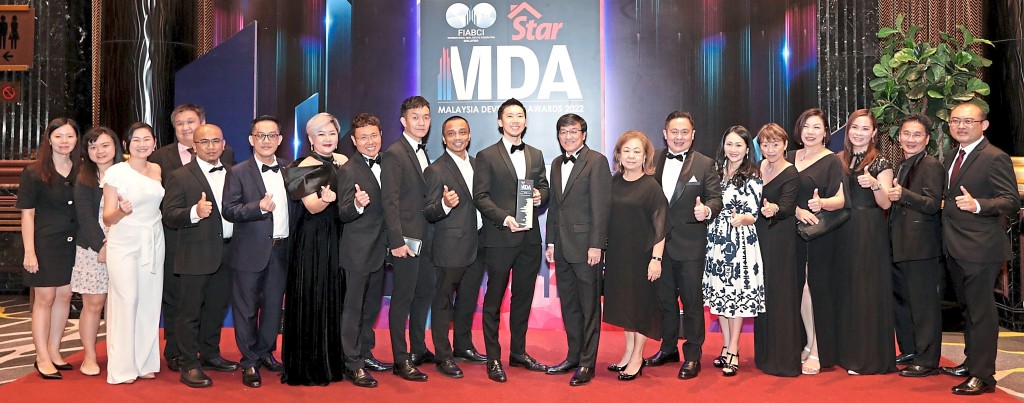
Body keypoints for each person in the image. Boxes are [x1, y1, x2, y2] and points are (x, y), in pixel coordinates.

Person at [940, 102, 1018, 395]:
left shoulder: (995, 157)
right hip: (955, 245)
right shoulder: (952, 154)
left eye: (968, 121)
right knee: (968, 310)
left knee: (981, 313)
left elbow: (1010, 201)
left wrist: (978, 205)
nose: (961, 126)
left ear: (984, 125)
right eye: (955, 121)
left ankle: (983, 376)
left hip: (981, 248)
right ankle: (971, 363)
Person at [149, 104, 234, 372]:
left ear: (223, 145)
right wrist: (194, 213)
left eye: (215, 142)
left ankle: (210, 353)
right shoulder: (178, 175)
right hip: (192, 250)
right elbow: (170, 214)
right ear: (194, 146)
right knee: (188, 310)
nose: (211, 147)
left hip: (226, 251)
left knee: (216, 307)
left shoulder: (233, 170)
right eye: (204, 142)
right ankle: (188, 362)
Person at [473, 97, 550, 382]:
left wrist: (543, 194)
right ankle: (493, 358)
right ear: (500, 121)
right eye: (510, 116)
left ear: (526, 121)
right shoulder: (486, 155)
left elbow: (544, 187)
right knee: (493, 300)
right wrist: (505, 218)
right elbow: (480, 196)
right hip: (500, 238)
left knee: (523, 299)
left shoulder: (536, 154)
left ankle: (518, 353)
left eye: (520, 115)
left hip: (530, 239)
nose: (516, 120)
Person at [648, 111, 723, 380]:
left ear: (693, 135)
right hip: (656, 247)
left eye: (684, 132)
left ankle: (693, 356)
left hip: (690, 246)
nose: (679, 137)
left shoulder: (705, 164)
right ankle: (668, 348)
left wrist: (708, 211)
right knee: (663, 301)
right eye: (674, 132)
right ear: (665, 133)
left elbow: (716, 199)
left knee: (691, 303)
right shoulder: (651, 159)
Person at [222, 115, 294, 388]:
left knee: (274, 308)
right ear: (251, 139)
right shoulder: (238, 172)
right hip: (249, 251)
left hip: (281, 251)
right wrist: (258, 208)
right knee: (247, 309)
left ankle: (266, 353)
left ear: (280, 139)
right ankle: (249, 361)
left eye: (272, 135)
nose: (266, 140)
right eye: (260, 136)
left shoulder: (289, 169)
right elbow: (229, 210)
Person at [279, 112, 349, 386]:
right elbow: (312, 207)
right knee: (314, 296)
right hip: (312, 241)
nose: (328, 139)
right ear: (310, 139)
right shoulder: (302, 166)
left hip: (337, 238)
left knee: (334, 297)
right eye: (321, 134)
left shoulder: (343, 162)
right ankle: (310, 366)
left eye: (332, 133)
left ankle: (334, 362)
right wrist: (326, 199)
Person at [543, 113, 611, 386]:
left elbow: (601, 208)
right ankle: (573, 356)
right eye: (563, 132)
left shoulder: (597, 161)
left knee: (589, 308)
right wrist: (550, 242)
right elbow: (555, 208)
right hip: (562, 248)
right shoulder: (557, 163)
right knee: (569, 307)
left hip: (586, 250)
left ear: (584, 134)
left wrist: (596, 245)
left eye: (573, 131)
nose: (568, 136)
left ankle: (587, 363)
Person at [423, 116, 488, 379]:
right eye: (452, 133)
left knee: (467, 301)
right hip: (449, 247)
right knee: (442, 303)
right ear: (443, 138)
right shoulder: (435, 170)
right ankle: (443, 355)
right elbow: (427, 212)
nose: (458, 137)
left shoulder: (478, 165)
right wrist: (445, 204)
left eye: (462, 132)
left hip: (478, 245)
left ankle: (463, 346)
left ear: (470, 135)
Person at [834, 109, 897, 375]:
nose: (858, 133)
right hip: (842, 229)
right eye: (854, 128)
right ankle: (844, 352)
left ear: (873, 133)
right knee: (846, 290)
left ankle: (867, 358)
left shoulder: (880, 162)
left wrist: (873, 184)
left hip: (869, 230)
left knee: (866, 293)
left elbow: (885, 202)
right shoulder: (838, 159)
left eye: (865, 128)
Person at [603, 130, 670, 381]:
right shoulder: (613, 182)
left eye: (636, 151)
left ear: (645, 157)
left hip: (643, 257)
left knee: (640, 308)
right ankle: (629, 351)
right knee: (625, 307)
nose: (631, 156)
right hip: (619, 255)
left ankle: (637, 357)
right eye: (626, 151)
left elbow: (661, 226)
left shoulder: (651, 186)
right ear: (618, 155)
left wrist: (656, 259)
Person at [102, 122, 165, 384]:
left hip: (153, 238)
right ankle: (123, 367)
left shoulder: (157, 169)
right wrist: (122, 211)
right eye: (136, 139)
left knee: (150, 301)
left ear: (154, 143)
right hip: (124, 241)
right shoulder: (116, 172)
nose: (142, 144)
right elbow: (108, 217)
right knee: (126, 300)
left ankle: (144, 362)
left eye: (147, 139)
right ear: (127, 145)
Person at [18, 118, 80, 380]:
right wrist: (29, 251)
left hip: (74, 242)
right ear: (49, 140)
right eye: (58, 136)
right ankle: (41, 356)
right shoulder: (34, 172)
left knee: (65, 296)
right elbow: (28, 215)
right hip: (45, 243)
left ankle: (55, 351)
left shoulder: (82, 170)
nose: (64, 141)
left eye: (70, 136)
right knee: (45, 299)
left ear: (77, 140)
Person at [382, 96, 437, 381]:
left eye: (426, 117)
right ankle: (400, 359)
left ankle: (418, 348)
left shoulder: (422, 151)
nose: (421, 122)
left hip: (426, 237)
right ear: (403, 120)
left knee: (424, 292)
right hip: (405, 241)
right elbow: (389, 201)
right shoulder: (394, 153)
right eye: (415, 117)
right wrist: (396, 241)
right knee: (402, 298)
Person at [788, 108, 847, 375]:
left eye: (816, 127)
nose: (810, 132)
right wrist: (796, 210)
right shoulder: (788, 157)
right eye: (806, 126)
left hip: (818, 234)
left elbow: (842, 200)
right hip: (789, 233)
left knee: (815, 289)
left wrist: (821, 203)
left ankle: (818, 349)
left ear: (826, 132)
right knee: (799, 289)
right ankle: (807, 342)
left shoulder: (832, 161)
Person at [702, 126, 764, 377]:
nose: (733, 149)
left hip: (739, 242)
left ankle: (735, 350)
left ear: (747, 148)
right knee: (722, 297)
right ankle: (726, 345)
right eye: (729, 144)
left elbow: (755, 213)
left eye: (739, 145)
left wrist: (743, 219)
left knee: (736, 298)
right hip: (716, 239)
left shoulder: (753, 174)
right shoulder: (715, 171)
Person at [887, 114, 944, 378]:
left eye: (917, 135)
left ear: (927, 139)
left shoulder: (930, 164)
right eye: (906, 134)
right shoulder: (902, 163)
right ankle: (910, 349)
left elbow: (933, 203)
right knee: (902, 301)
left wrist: (904, 195)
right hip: (899, 244)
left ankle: (928, 359)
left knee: (923, 305)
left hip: (921, 246)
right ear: (899, 137)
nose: (910, 139)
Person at [337, 113, 391, 388]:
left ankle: (366, 352)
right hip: (357, 250)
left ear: (381, 135)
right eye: (363, 138)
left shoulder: (388, 163)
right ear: (354, 142)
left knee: (371, 307)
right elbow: (343, 213)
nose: (370, 142)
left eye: (374, 135)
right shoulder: (348, 170)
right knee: (353, 309)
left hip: (380, 250)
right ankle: (352, 363)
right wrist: (357, 204)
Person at [72, 126, 123, 377]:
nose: (99, 151)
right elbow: (84, 216)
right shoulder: (84, 177)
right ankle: (89, 356)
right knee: (93, 304)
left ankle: (121, 355)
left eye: (104, 145)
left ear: (116, 146)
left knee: (123, 304)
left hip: (125, 247)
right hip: (93, 249)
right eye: (93, 146)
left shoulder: (127, 173)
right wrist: (102, 246)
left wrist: (115, 246)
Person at [752, 123, 802, 377]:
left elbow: (787, 206)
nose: (770, 149)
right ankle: (763, 354)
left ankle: (783, 360)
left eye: (775, 144)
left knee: (779, 296)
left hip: (780, 239)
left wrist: (775, 210)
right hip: (758, 237)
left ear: (785, 145)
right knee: (763, 295)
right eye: (765, 144)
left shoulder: (791, 172)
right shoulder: (758, 167)